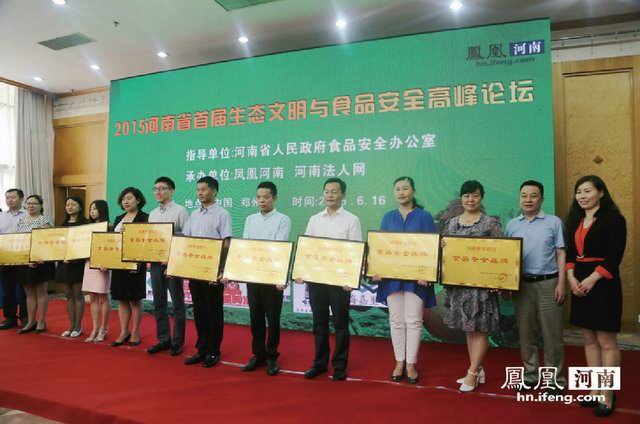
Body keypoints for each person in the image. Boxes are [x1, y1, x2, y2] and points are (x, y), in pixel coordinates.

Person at [565, 175, 626, 417]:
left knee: (606, 341)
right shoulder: (575, 220)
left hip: (603, 284)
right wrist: (571, 278)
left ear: (601, 192)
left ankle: (608, 393)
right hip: (579, 283)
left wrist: (592, 279)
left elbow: (615, 255)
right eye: (579, 191)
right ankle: (594, 389)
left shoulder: (614, 219)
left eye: (587, 191)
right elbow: (570, 254)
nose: (582, 196)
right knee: (589, 340)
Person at [296, 178, 362, 381]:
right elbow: (307, 248)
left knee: (341, 324)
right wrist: (301, 271)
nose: (330, 195)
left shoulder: (351, 220)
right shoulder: (315, 219)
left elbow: (355, 252)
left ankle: (340, 365)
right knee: (319, 323)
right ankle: (319, 363)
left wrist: (350, 279)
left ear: (343, 195)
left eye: (334, 191)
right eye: (327, 191)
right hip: (317, 280)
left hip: (340, 282)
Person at [371, 177, 436, 384]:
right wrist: (377, 270)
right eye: (397, 189)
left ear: (413, 191)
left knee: (414, 320)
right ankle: (399, 362)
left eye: (405, 188)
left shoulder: (425, 217)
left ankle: (411, 364)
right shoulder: (387, 217)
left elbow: (431, 248)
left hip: (417, 279)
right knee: (396, 321)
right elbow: (381, 248)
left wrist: (428, 273)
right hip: (391, 278)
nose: (401, 192)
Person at [506, 180, 566, 394]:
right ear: (519, 198)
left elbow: (561, 253)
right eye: (524, 195)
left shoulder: (553, 222)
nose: (528, 200)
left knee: (552, 335)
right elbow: (507, 256)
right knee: (526, 334)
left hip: (549, 283)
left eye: (533, 195)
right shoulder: (512, 224)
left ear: (542, 198)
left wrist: (561, 283)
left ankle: (554, 380)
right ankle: (530, 376)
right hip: (522, 285)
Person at [442, 180, 502, 392]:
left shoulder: (490, 223)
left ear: (481, 197)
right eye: (466, 195)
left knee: (480, 328)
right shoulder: (452, 224)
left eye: (475, 195)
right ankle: (477, 369)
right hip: (459, 284)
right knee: (469, 328)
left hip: (482, 286)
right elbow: (446, 254)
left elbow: (501, 252)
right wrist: (443, 248)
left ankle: (473, 372)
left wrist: (497, 281)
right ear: (461, 198)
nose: (470, 199)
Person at [237, 181, 291, 375]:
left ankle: (272, 356)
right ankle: (258, 354)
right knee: (256, 317)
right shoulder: (250, 219)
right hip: (253, 276)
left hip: (272, 277)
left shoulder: (283, 219)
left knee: (273, 318)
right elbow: (245, 245)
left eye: (266, 197)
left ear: (274, 198)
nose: (262, 200)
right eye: (258, 197)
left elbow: (279, 248)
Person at [182, 176, 232, 368]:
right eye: (198, 190)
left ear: (214, 191)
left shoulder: (222, 214)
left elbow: (226, 242)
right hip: (195, 271)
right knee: (199, 311)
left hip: (213, 272)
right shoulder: (194, 214)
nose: (200, 193)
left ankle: (213, 350)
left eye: (204, 189)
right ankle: (201, 348)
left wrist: (221, 269)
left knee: (214, 312)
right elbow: (186, 240)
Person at [147, 176, 189, 357]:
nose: (158, 192)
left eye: (162, 188)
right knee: (159, 302)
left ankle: (178, 342)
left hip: (174, 263)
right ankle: (163, 339)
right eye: (155, 189)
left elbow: (186, 238)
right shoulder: (153, 213)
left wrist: (172, 257)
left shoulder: (181, 211)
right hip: (157, 263)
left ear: (171, 191)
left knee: (178, 303)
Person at [110, 187, 149, 347]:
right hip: (118, 264)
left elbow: (147, 241)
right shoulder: (119, 218)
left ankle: (135, 332)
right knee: (122, 299)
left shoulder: (145, 218)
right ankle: (123, 331)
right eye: (123, 199)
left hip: (135, 264)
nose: (126, 201)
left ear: (138, 200)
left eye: (129, 198)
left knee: (135, 299)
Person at [16, 195, 55, 334]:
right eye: (28, 203)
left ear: (40, 206)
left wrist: (37, 258)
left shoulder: (44, 220)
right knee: (29, 293)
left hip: (41, 261)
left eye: (34, 203)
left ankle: (41, 321)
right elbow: (19, 241)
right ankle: (31, 321)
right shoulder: (21, 221)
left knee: (41, 292)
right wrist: (26, 259)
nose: (31, 206)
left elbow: (47, 242)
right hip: (25, 260)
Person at [56, 196, 89, 338]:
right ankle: (71, 325)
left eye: (73, 204)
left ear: (80, 207)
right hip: (64, 264)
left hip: (78, 264)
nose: (69, 207)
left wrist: (75, 257)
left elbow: (86, 245)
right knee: (68, 295)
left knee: (78, 295)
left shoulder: (85, 224)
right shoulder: (63, 224)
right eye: (67, 205)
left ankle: (78, 326)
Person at [82, 200, 111, 343]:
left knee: (103, 298)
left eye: (95, 209)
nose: (92, 211)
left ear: (102, 210)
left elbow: (112, 246)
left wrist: (106, 262)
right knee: (92, 298)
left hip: (102, 265)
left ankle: (103, 328)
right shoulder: (87, 228)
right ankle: (95, 328)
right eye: (90, 209)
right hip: (89, 263)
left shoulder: (109, 227)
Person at [0, 188, 27, 330]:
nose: (10, 200)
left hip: (23, 257)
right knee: (8, 289)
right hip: (6, 257)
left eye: (13, 197)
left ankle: (25, 318)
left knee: (24, 290)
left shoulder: (29, 215)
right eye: (7, 198)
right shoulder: (1, 216)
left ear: (21, 198)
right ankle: (10, 317)